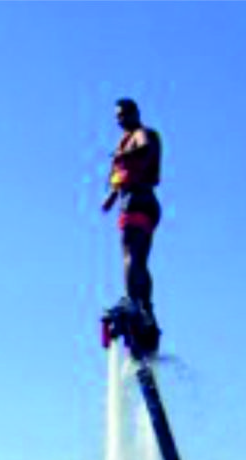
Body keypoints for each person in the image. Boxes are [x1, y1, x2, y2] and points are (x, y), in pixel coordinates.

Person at [101, 98, 162, 326]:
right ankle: (147, 309)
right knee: (140, 259)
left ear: (136, 113)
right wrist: (111, 196)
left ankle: (132, 302)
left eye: (124, 114)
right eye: (117, 116)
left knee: (129, 253)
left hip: (136, 200)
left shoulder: (142, 133)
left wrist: (123, 156)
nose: (120, 120)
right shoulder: (126, 140)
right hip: (147, 202)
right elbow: (122, 176)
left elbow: (145, 148)